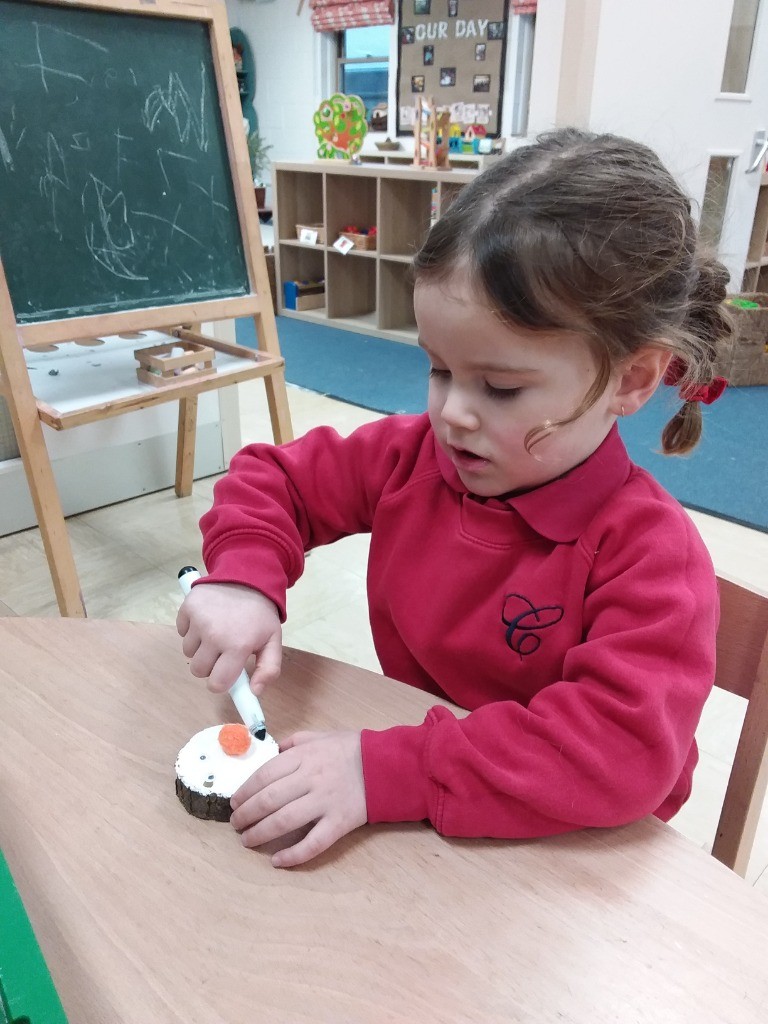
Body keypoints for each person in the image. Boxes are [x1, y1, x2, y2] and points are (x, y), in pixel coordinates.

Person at [177, 128, 731, 868]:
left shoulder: (650, 555)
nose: (452, 413)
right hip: (431, 808)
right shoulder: (418, 458)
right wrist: (246, 576)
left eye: (499, 387)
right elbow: (273, 479)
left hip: (579, 852)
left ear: (632, 380)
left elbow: (616, 755)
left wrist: (388, 773)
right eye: (438, 369)